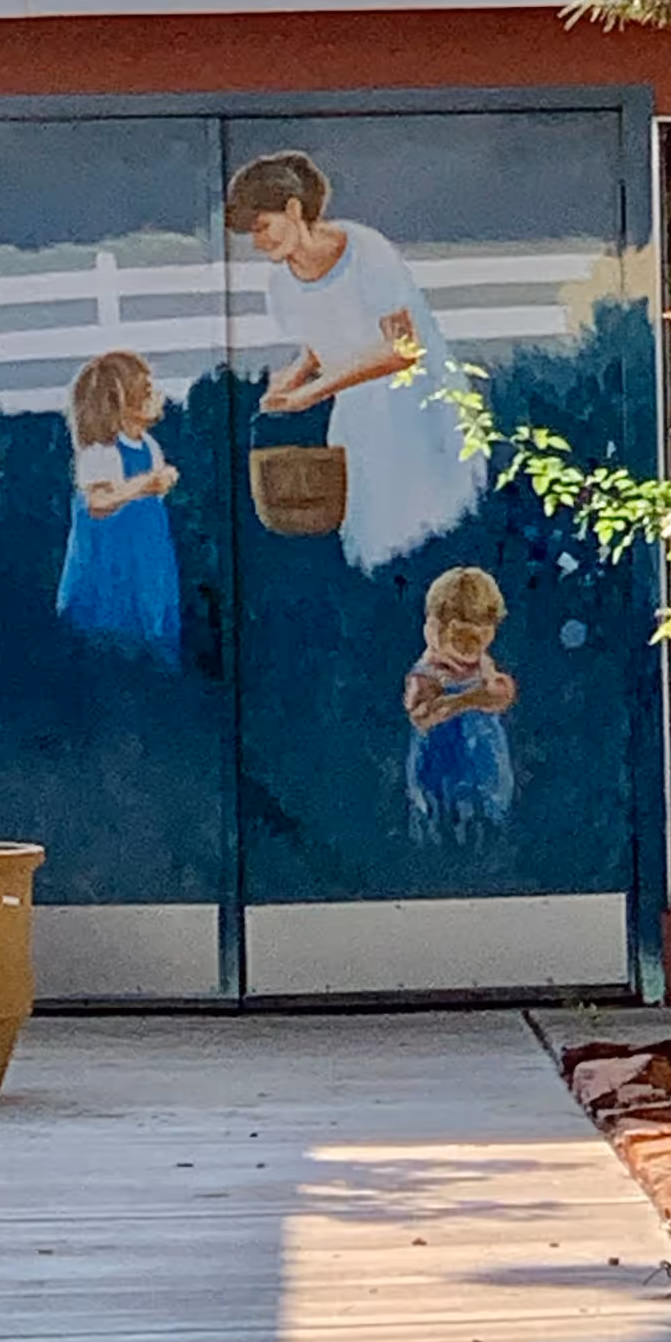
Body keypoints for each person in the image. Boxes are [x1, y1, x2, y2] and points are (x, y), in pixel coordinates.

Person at [227, 150, 484, 572]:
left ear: (293, 210)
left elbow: (403, 348)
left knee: (427, 530)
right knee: (370, 534)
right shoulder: (282, 285)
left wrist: (310, 393)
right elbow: (322, 342)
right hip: (359, 415)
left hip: (416, 408)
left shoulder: (365, 250)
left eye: (262, 226)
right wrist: (291, 380)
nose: (258, 241)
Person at [55, 350, 182, 669]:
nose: (158, 396)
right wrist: (146, 485)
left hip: (146, 559)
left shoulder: (149, 446)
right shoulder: (101, 452)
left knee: (152, 625)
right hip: (109, 562)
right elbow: (97, 502)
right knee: (111, 635)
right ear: (122, 401)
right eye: (148, 390)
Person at [404, 565, 517, 841]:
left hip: (484, 765)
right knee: (441, 823)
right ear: (435, 628)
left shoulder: (481, 665)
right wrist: (468, 699)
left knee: (487, 822)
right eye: (462, 637)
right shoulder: (427, 673)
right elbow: (422, 715)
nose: (471, 648)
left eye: (481, 637)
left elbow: (503, 693)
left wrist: (492, 690)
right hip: (441, 769)